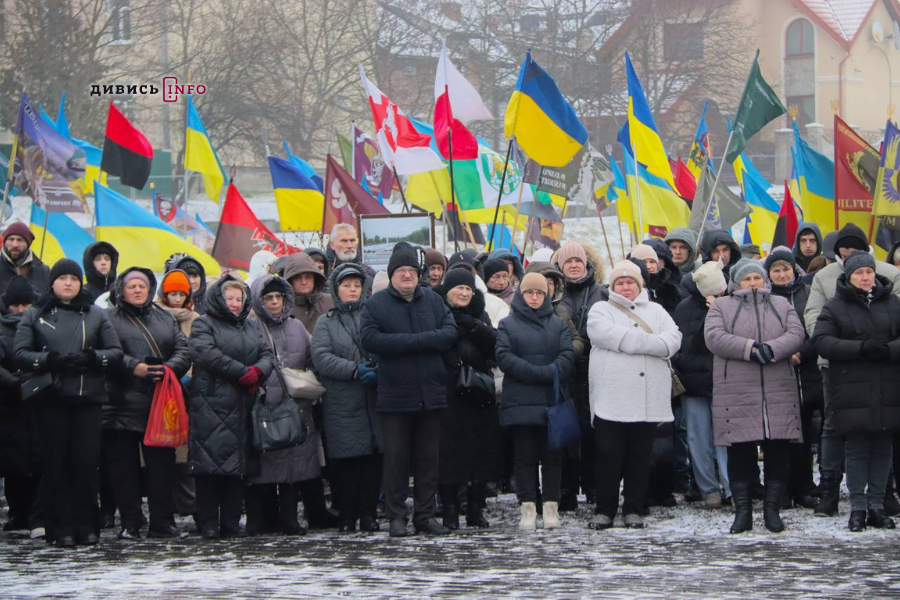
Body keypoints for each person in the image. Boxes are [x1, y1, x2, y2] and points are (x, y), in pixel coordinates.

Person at [15, 259, 123, 547]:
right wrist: (48, 360)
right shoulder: (36, 314)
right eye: (62, 278)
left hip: (88, 399)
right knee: (56, 464)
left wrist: (92, 358)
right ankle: (58, 526)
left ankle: (88, 525)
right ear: (52, 282)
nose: (68, 283)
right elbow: (20, 353)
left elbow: (114, 353)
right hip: (52, 399)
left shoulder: (97, 314)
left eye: (73, 278)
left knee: (86, 464)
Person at [359, 242, 457, 537]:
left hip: (431, 392)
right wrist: (417, 342)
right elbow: (371, 340)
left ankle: (425, 515)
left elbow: (449, 332)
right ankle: (397, 516)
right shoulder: (376, 304)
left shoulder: (433, 299)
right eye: (401, 271)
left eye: (412, 271)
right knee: (396, 461)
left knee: (428, 460)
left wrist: (409, 342)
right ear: (391, 275)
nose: (407, 276)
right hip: (395, 396)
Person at [804, 223, 900, 517]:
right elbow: (818, 331)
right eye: (857, 271)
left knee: (883, 443)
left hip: (885, 378)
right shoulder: (833, 297)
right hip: (845, 378)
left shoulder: (892, 293)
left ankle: (880, 501)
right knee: (847, 439)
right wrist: (857, 350)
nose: (864, 276)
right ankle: (845, 498)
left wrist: (887, 350)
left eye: (868, 271)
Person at [705, 259, 805, 534]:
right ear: (737, 282)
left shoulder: (782, 305)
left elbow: (797, 333)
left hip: (778, 389)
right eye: (747, 278)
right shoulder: (722, 306)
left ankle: (772, 512)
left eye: (757, 278)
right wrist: (750, 348)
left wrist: (772, 349)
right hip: (737, 390)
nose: (752, 283)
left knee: (777, 450)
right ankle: (743, 512)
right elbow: (713, 337)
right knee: (740, 452)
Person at [586, 261, 682, 530]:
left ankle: (634, 508)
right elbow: (604, 335)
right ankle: (605, 510)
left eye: (630, 282)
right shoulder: (600, 309)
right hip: (611, 398)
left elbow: (673, 341)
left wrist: (634, 344)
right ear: (612, 286)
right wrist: (653, 345)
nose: (626, 287)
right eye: (620, 283)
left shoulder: (657, 310)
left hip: (647, 399)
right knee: (608, 457)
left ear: (640, 284)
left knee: (640, 458)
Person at [104, 267, 191, 540]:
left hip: (159, 402)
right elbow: (107, 352)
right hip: (120, 402)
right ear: (122, 289)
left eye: (142, 285)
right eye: (132, 286)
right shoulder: (109, 318)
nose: (138, 290)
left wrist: (168, 369)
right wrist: (135, 368)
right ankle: (130, 523)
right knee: (123, 469)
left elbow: (183, 350)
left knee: (162, 467)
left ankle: (162, 522)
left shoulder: (164, 317)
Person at [188, 275, 274, 539]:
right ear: (218, 299)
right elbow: (206, 354)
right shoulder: (204, 323)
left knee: (238, 468)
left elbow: (267, 355)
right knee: (209, 468)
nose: (235, 304)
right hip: (211, 405)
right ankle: (208, 522)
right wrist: (242, 373)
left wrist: (258, 371)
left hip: (244, 405)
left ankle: (231, 521)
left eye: (239, 299)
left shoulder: (252, 326)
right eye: (230, 298)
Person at [247, 273, 323, 536]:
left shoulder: (297, 327)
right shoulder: (251, 326)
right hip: (263, 405)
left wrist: (307, 381)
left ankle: (290, 518)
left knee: (293, 466)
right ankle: (259, 520)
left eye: (279, 296)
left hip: (295, 405)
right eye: (268, 297)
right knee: (261, 467)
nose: (275, 302)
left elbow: (312, 359)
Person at [496, 272, 574, 530]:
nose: (534, 297)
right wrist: (537, 372)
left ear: (547, 296)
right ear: (521, 294)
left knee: (553, 458)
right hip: (520, 401)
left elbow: (567, 356)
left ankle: (551, 507)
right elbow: (504, 357)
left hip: (551, 399)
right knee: (524, 458)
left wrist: (551, 371)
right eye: (530, 292)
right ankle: (528, 508)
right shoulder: (508, 324)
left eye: (539, 293)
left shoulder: (558, 324)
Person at [312, 264, 383, 533]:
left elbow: (383, 344)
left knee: (372, 461)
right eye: (346, 285)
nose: (352, 289)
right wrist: (353, 370)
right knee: (346, 462)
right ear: (336, 289)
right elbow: (321, 357)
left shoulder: (373, 316)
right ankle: (347, 515)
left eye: (356, 285)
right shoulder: (326, 321)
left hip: (373, 399)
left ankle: (368, 515)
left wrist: (377, 369)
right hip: (342, 402)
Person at [434, 268, 503, 530]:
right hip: (448, 393)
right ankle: (450, 509)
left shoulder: (480, 314)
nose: (464, 293)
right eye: (459, 288)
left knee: (481, 454)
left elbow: (496, 347)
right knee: (449, 456)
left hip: (478, 394)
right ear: (447, 291)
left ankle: (475, 508)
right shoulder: (437, 313)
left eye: (468, 289)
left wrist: (474, 326)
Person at [764, 247, 823, 509]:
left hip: (807, 372)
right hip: (777, 371)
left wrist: (802, 351)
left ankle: (804, 487)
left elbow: (818, 329)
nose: (781, 274)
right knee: (779, 436)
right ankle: (781, 490)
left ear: (793, 270)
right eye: (776, 270)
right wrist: (784, 353)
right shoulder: (764, 298)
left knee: (805, 435)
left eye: (785, 268)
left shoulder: (808, 293)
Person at [672, 260, 731, 509]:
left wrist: (719, 312)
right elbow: (683, 344)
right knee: (698, 438)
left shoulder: (732, 304)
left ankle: (731, 488)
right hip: (695, 381)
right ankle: (709, 489)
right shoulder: (685, 308)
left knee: (727, 439)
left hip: (726, 380)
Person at [553, 240, 605, 511]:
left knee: (594, 432)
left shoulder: (601, 293)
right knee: (566, 433)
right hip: (564, 372)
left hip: (595, 369)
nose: (573, 266)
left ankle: (595, 488)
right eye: (568, 261)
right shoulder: (553, 294)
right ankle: (567, 490)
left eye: (578, 261)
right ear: (559, 265)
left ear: (586, 264)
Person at [0, 276, 44, 538]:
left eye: (24, 305)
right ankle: (18, 512)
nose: (19, 311)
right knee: (13, 463)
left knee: (38, 459)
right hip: (8, 404)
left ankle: (35, 513)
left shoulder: (41, 325)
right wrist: (15, 383)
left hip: (37, 400)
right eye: (15, 305)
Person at [155, 269, 200, 520]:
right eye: (172, 293)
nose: (176, 299)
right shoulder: (156, 317)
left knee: (185, 453)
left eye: (181, 294)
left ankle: (188, 505)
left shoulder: (196, 319)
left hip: (189, 389)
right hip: (163, 388)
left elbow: (198, 350)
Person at [283, 252, 335, 333]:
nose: (303, 282)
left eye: (308, 277)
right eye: (297, 278)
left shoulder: (331, 302)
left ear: (315, 278)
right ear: (290, 281)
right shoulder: (282, 307)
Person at [0, 222, 50, 294]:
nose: (15, 245)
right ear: (5, 242)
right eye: (11, 239)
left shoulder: (44, 271)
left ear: (28, 244)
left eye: (20, 240)